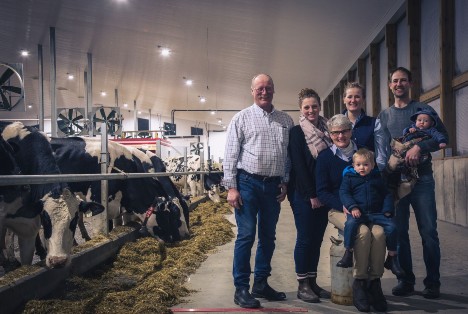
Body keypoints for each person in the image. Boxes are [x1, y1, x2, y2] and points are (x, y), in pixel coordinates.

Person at [375, 66, 449, 299]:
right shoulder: (384, 116)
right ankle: (405, 280)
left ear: (410, 84)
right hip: (397, 182)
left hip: (422, 180)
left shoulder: (423, 109)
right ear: (390, 85)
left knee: (429, 231)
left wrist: (419, 146)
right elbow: (382, 149)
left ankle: (433, 283)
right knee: (400, 232)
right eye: (395, 81)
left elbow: (442, 138)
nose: (399, 84)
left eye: (403, 80)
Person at [222, 73, 294, 309]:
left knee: (268, 237)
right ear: (252, 91)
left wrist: (284, 181)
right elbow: (231, 155)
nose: (265, 92)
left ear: (274, 90)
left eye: (269, 88)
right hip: (248, 184)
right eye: (260, 88)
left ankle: (261, 283)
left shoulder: (285, 120)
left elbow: (287, 155)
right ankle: (241, 288)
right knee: (246, 235)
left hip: (272, 186)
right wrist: (231, 187)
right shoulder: (241, 118)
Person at [316, 114, 387, 312]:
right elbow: (322, 192)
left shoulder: (365, 155)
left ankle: (375, 282)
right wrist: (344, 205)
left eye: (344, 131)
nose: (340, 136)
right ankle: (359, 282)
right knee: (362, 232)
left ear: (351, 131)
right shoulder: (325, 158)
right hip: (338, 209)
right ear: (330, 135)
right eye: (335, 132)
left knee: (380, 234)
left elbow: (377, 184)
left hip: (368, 210)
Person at [288, 88, 332, 303]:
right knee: (305, 239)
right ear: (301, 109)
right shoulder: (297, 133)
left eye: (314, 106)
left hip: (324, 193)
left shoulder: (328, 130)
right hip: (304, 194)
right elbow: (299, 167)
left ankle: (313, 281)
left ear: (319, 107)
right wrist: (311, 195)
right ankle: (302, 283)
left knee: (317, 239)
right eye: (306, 107)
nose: (311, 110)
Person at [338, 148, 404, 277]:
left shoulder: (377, 178)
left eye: (366, 164)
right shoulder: (349, 178)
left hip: (377, 213)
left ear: (373, 165)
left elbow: (387, 194)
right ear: (353, 165)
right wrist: (352, 207)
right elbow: (344, 193)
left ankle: (392, 257)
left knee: (392, 227)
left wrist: (387, 210)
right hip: (358, 213)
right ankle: (348, 253)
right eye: (358, 165)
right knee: (350, 225)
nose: (362, 168)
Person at [386, 108, 448, 187]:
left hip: (419, 153)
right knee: (396, 158)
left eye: (426, 121)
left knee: (411, 164)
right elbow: (405, 132)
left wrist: (442, 141)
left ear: (431, 124)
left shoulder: (430, 130)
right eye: (419, 120)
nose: (422, 122)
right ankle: (393, 171)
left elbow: (439, 135)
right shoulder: (413, 128)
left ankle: (407, 172)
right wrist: (409, 130)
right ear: (415, 121)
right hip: (405, 146)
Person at [342, 82, 378, 151]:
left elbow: (380, 151)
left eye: (357, 97)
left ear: (363, 100)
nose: (353, 100)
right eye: (349, 97)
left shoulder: (374, 123)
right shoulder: (335, 124)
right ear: (344, 100)